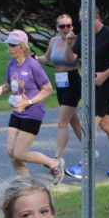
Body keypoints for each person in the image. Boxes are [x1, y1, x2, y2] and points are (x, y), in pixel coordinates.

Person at [0, 30, 63, 184]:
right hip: (17, 113)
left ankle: (53, 163)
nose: (10, 48)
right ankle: (26, 184)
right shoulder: (11, 65)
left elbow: (47, 89)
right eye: (9, 45)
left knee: (20, 154)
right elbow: (7, 86)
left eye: (14, 45)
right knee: (11, 152)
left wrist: (28, 102)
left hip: (33, 113)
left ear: (23, 46)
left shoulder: (33, 65)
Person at [64, 7, 109, 179]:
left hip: (108, 86)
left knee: (88, 123)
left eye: (85, 20)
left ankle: (85, 164)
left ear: (96, 18)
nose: (82, 24)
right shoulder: (84, 36)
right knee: (107, 124)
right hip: (92, 86)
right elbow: (71, 59)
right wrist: (69, 44)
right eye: (80, 21)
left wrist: (105, 75)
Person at [34, 14, 88, 164]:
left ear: (72, 26)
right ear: (57, 28)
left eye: (68, 25)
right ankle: (90, 150)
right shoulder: (53, 41)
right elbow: (47, 58)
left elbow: (71, 59)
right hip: (60, 82)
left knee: (62, 122)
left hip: (73, 81)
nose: (66, 29)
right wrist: (34, 59)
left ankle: (57, 159)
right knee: (73, 121)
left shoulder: (76, 41)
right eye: (62, 26)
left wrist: (69, 44)